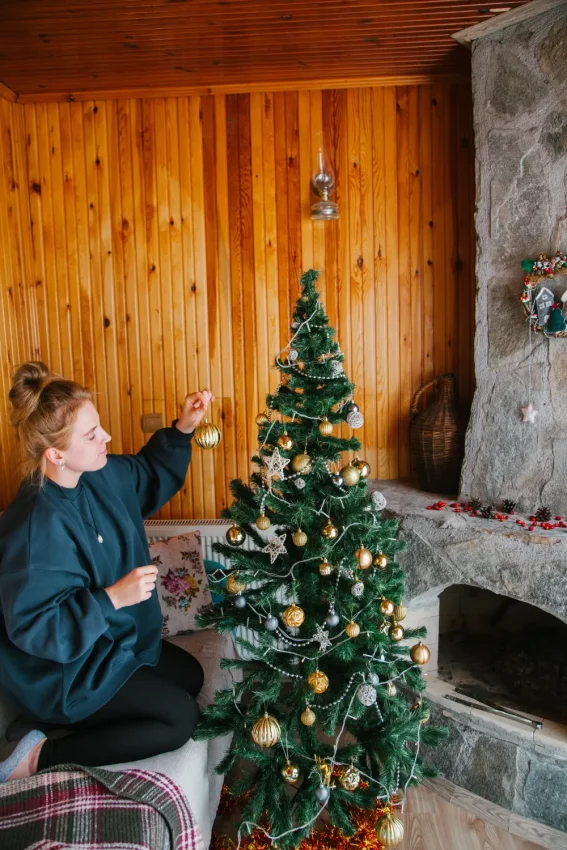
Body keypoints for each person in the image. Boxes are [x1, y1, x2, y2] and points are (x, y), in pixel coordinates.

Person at [0, 361, 214, 782]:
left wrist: (184, 427)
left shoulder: (98, 474)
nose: (107, 438)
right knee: (180, 720)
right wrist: (114, 597)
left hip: (111, 643)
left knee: (190, 676)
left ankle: (105, 708)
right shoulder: (34, 526)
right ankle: (38, 756)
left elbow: (148, 472)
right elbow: (38, 627)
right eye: (93, 434)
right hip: (67, 672)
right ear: (55, 454)